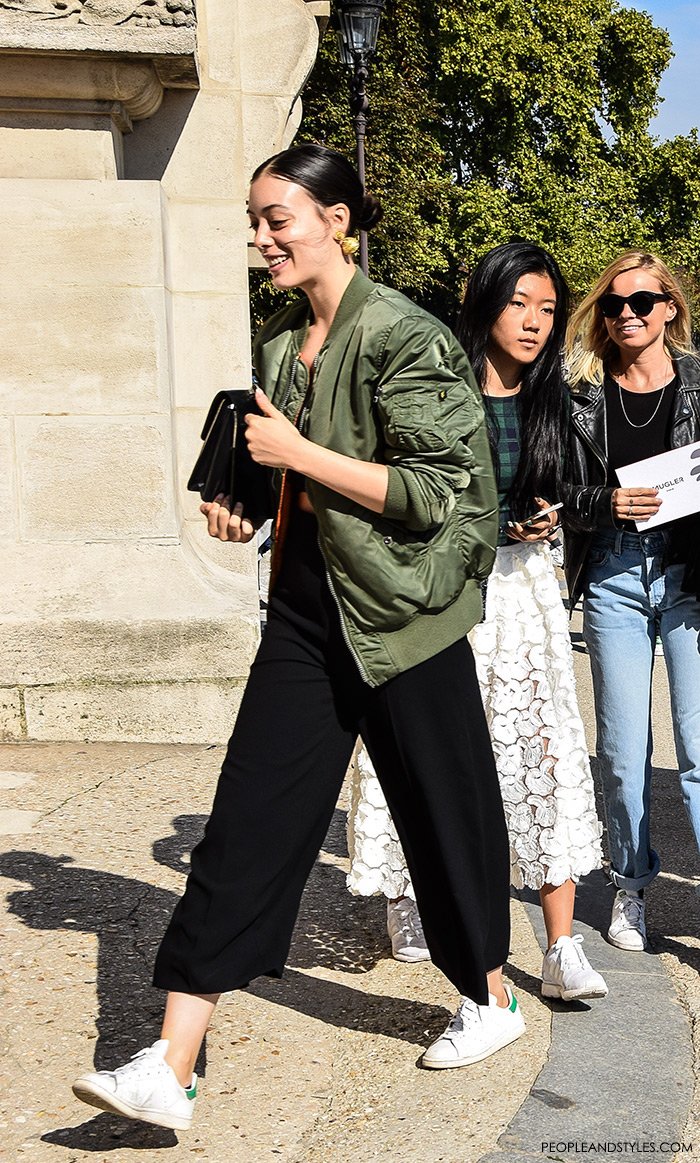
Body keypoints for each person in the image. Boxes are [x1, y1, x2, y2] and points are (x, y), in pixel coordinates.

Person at [72, 144, 523, 1133]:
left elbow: (442, 493)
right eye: (255, 219)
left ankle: (489, 993)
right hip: (309, 619)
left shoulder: (403, 334)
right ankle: (172, 1061)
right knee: (246, 824)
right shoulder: (280, 346)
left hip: (404, 618)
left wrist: (301, 456)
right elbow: (293, 484)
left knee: (443, 816)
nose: (261, 236)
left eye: (278, 217)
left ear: (336, 221)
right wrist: (255, 506)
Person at [347, 241, 608, 1002]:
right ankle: (410, 900)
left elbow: (576, 488)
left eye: (548, 309)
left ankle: (561, 944)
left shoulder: (554, 396)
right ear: (486, 300)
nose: (533, 322)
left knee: (545, 750)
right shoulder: (436, 382)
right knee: (427, 750)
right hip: (442, 590)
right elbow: (411, 492)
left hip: (524, 597)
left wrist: (553, 514)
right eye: (519, 302)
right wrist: (493, 526)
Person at [564, 250, 700, 952]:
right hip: (615, 572)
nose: (626, 315)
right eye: (614, 305)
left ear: (669, 307)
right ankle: (632, 885)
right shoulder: (580, 392)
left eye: (642, 302)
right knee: (621, 747)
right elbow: (554, 490)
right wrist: (605, 500)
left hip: (690, 581)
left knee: (699, 745)